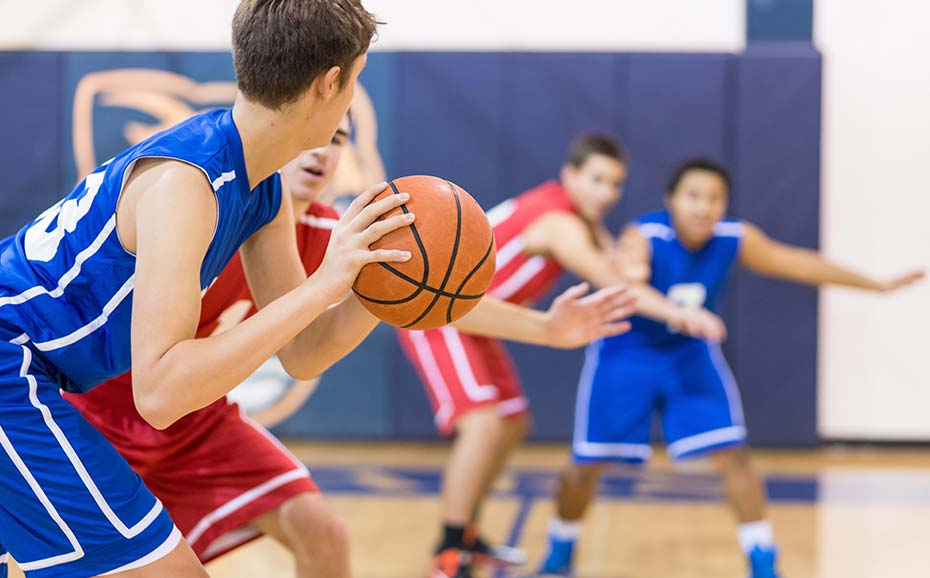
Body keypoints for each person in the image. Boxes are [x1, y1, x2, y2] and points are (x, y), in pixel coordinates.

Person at [59, 111, 636, 578]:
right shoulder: (207, 204)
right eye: (315, 136)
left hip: (195, 421)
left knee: (324, 535)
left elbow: (440, 296)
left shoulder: (337, 235)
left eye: (339, 139)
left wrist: (546, 329)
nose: (322, 151)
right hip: (101, 414)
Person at [0, 1, 401, 576]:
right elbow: (161, 394)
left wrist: (380, 286)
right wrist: (323, 286)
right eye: (356, 79)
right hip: (9, 365)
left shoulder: (262, 188)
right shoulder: (187, 183)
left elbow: (304, 352)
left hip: (32, 371)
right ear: (329, 83)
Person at [538, 157, 925, 578]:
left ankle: (763, 560)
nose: (703, 207)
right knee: (586, 464)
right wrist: (657, 294)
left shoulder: (732, 238)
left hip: (689, 353)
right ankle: (561, 547)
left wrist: (877, 284)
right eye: (693, 196)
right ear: (671, 200)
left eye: (714, 198)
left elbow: (799, 262)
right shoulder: (644, 235)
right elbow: (627, 282)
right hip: (626, 353)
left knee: (734, 455)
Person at [395, 135, 686, 578]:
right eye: (596, 179)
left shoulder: (579, 220)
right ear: (569, 176)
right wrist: (680, 314)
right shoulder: (557, 222)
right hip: (439, 313)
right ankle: (449, 549)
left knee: (513, 422)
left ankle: (468, 533)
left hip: (480, 320)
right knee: (484, 422)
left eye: (615, 184)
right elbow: (611, 277)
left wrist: (637, 250)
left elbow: (619, 258)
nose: (605, 192)